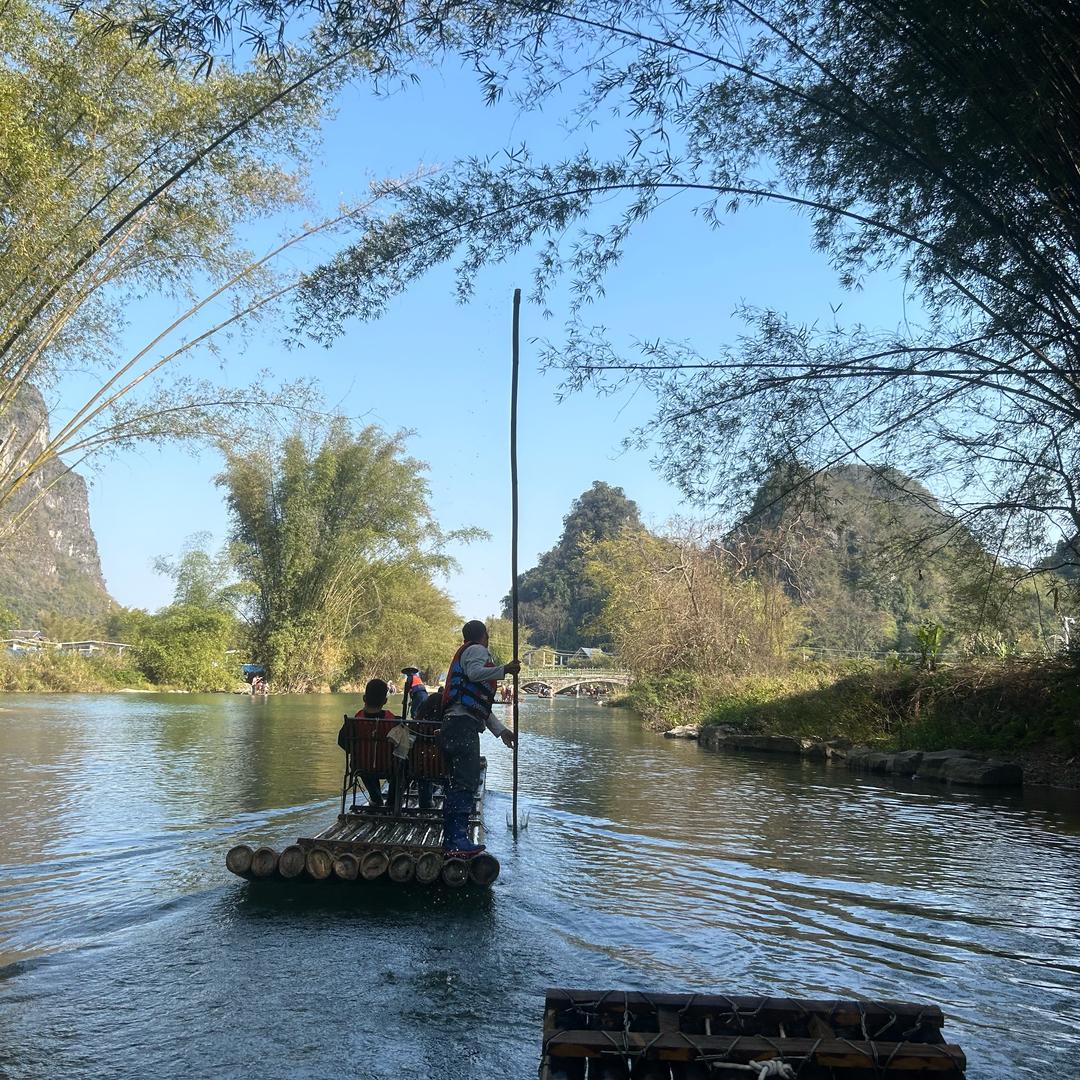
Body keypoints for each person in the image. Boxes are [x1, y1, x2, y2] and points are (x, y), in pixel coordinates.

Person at [439, 620, 520, 856]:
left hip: (454, 724)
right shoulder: (476, 650)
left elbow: (477, 705)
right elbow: (475, 675)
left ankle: (453, 838)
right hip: (462, 727)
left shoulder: (467, 652)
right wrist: (505, 669)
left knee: (459, 782)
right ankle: (456, 840)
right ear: (484, 635)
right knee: (465, 781)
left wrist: (501, 731)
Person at [353, 678, 397, 810]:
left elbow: (343, 742)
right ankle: (391, 801)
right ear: (385, 701)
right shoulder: (392, 720)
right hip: (389, 767)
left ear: (364, 698)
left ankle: (376, 797)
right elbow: (402, 745)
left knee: (363, 764)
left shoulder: (354, 720)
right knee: (403, 766)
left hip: (362, 766)